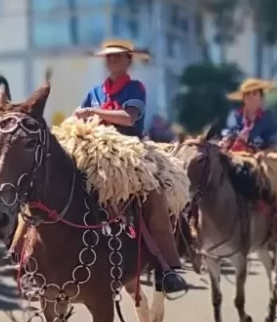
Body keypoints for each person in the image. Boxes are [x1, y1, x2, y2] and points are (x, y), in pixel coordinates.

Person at [67, 40, 188, 293]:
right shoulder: (96, 91)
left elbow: (129, 117)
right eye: (108, 58)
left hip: (129, 152)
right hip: (96, 151)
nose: (112, 61)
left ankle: (166, 268)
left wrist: (95, 113)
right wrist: (79, 115)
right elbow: (80, 113)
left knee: (153, 195)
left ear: (128, 60)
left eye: (117, 57)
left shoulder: (136, 88)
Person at [220, 78, 277, 152]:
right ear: (243, 98)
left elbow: (273, 144)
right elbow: (229, 133)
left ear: (261, 98)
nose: (250, 96)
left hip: (258, 158)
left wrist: (263, 153)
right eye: (247, 93)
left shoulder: (267, 118)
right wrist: (227, 140)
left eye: (254, 93)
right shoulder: (235, 115)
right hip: (234, 156)